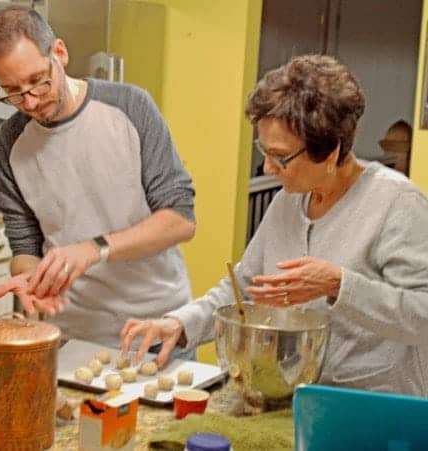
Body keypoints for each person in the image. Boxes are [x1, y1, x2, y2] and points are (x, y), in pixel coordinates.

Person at [121, 54, 428, 397]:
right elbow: (248, 286)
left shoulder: (397, 204)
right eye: (262, 150)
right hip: (295, 396)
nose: (267, 168)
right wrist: (179, 324)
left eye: (280, 156)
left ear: (330, 152)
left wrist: (339, 285)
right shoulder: (289, 199)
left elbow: (423, 315)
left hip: (375, 409)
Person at [0, 5, 196, 350]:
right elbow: (25, 246)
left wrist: (95, 249)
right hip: (69, 335)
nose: (31, 101)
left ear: (60, 53)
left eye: (38, 80)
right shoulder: (8, 146)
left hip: (154, 329)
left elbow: (180, 221)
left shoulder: (130, 107)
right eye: (13, 91)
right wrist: (30, 278)